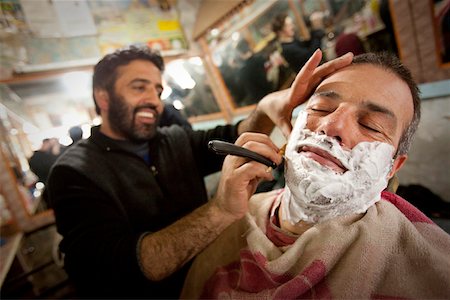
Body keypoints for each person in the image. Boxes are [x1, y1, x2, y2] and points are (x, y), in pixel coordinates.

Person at [47, 45, 353, 298]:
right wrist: (220, 210)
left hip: (210, 282)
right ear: (103, 97)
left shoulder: (172, 140)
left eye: (157, 90)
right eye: (139, 88)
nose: (153, 101)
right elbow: (122, 268)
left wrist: (266, 106)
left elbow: (236, 136)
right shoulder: (74, 173)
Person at [181, 51, 450, 299]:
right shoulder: (230, 219)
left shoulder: (431, 274)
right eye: (320, 108)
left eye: (370, 125)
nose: (330, 125)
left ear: (392, 167)